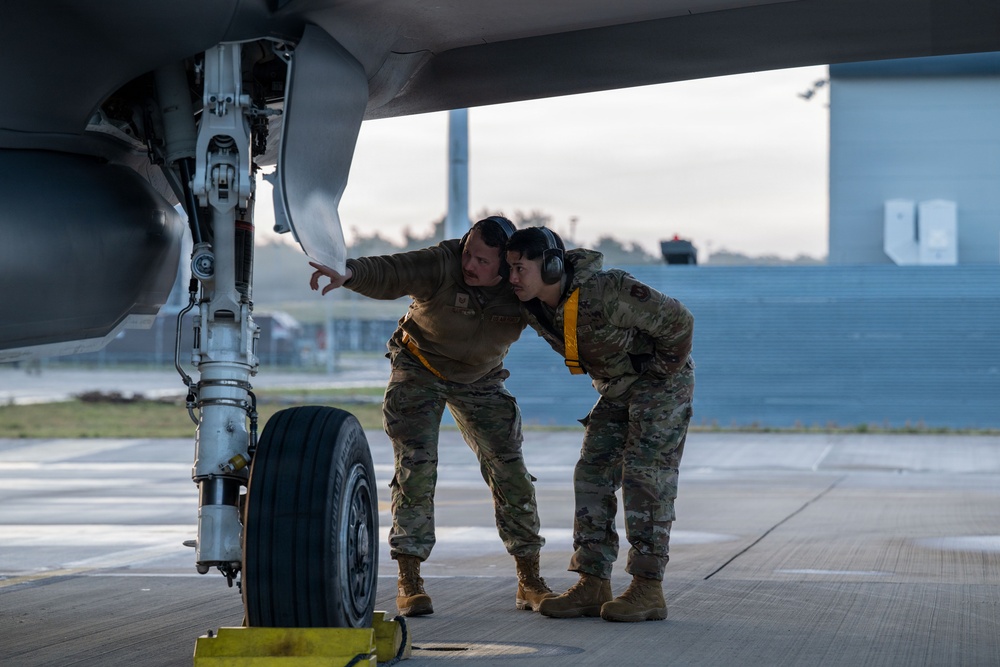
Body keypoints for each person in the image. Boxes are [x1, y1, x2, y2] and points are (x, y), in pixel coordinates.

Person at [308, 216, 554, 617]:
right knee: (416, 466)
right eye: (467, 253)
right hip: (419, 367)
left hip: (481, 379)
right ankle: (410, 581)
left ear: (507, 265)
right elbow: (395, 271)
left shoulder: (522, 284)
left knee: (511, 471)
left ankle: (530, 579)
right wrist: (349, 273)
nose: (469, 265)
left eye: (481, 261)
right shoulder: (444, 263)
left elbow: (563, 317)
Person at [505, 226, 694, 623]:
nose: (513, 278)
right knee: (591, 473)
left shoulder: (607, 291)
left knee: (645, 476)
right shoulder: (534, 304)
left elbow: (679, 321)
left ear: (552, 266)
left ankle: (648, 587)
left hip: (661, 385)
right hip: (616, 390)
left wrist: (656, 372)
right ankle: (593, 581)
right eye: (510, 269)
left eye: (521, 268)